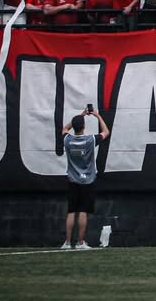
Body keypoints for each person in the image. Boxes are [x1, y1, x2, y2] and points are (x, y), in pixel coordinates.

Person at [60, 105, 110, 250]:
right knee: (83, 211)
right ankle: (81, 242)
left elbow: (64, 129)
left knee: (71, 211)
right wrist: (97, 116)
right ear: (83, 127)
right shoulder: (90, 140)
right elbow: (106, 132)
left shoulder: (68, 140)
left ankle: (68, 242)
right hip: (87, 180)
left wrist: (81, 115)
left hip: (72, 180)